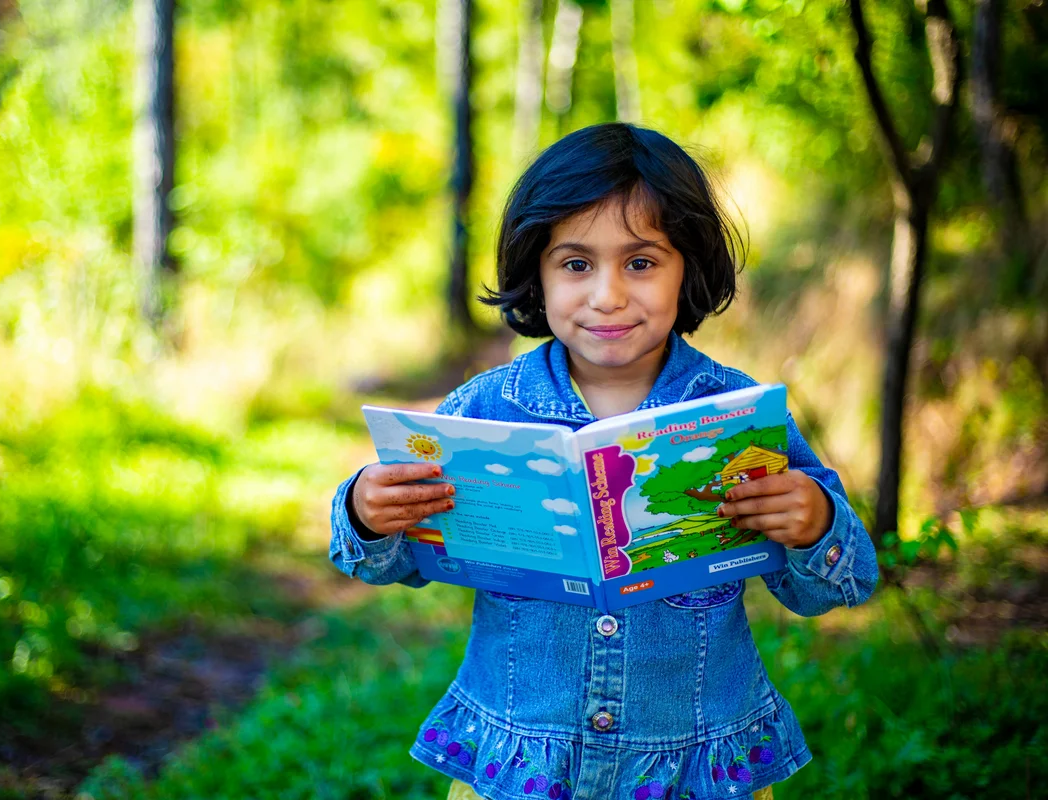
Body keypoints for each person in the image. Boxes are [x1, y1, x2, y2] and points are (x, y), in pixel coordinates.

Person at [329, 122, 879, 800]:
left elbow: (836, 587)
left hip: (693, 771)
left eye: (641, 263)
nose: (608, 295)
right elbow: (396, 562)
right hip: (522, 769)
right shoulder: (484, 410)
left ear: (689, 266)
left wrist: (817, 520)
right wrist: (366, 512)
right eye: (576, 263)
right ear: (537, 268)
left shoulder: (739, 415)